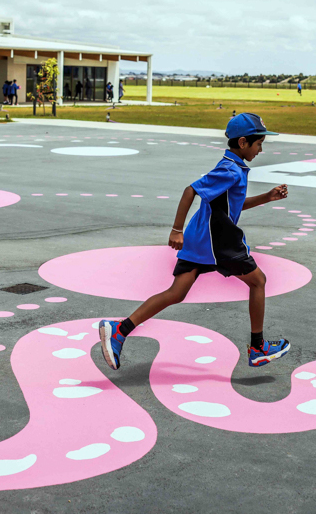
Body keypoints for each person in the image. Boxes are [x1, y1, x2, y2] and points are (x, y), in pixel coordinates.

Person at [99, 113, 292, 371]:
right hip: (217, 241)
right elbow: (191, 189)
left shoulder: (233, 167)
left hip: (201, 238)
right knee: (259, 281)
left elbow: (231, 206)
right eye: (259, 144)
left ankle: (119, 330)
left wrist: (266, 197)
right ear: (244, 142)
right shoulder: (230, 170)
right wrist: (176, 229)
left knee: (176, 293)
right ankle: (257, 347)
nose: (261, 149)